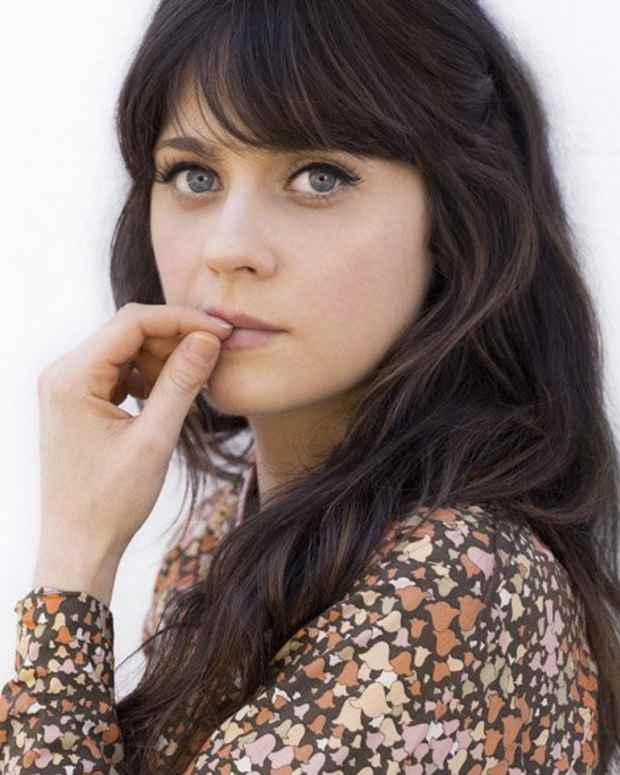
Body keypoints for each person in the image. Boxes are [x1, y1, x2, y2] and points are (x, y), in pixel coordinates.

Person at [1, 0, 618, 772]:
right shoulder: (226, 527)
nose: (228, 247)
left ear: (458, 220)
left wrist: (73, 561)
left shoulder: (456, 582)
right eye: (195, 175)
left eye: (318, 177)